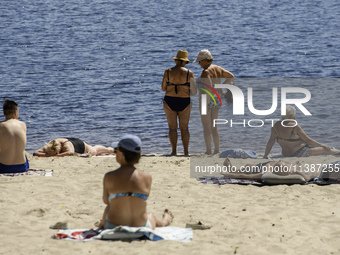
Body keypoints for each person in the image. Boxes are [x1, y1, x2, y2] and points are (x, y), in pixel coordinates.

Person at [97, 134, 173, 229]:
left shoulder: (109, 176)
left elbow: (106, 201)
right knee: (150, 216)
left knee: (109, 207)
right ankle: (165, 220)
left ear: (121, 154)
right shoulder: (147, 177)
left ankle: (101, 225)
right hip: (141, 226)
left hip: (114, 226)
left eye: (116, 151)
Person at [194, 49, 234, 155]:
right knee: (214, 126)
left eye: (200, 61)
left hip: (206, 98)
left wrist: (205, 104)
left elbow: (208, 87)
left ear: (205, 60)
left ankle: (208, 151)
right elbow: (231, 76)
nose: (199, 63)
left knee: (206, 126)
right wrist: (221, 87)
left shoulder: (205, 72)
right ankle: (217, 150)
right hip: (217, 98)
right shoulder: (218, 68)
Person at [263, 105, 340, 158]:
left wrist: (265, 155)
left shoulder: (275, 125)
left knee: (318, 147)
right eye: (294, 114)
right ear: (290, 116)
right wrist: (322, 145)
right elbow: (307, 140)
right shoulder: (294, 125)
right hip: (300, 153)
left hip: (285, 154)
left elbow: (271, 141)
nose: (295, 116)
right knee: (326, 150)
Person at [162, 50, 196, 156]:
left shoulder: (167, 71)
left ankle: (174, 151)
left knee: (172, 128)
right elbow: (194, 91)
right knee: (184, 128)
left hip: (169, 100)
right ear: (184, 62)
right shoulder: (189, 73)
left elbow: (163, 88)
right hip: (184, 101)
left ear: (176, 60)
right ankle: (186, 152)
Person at [223, 158, 317, 181]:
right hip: (266, 164)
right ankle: (231, 169)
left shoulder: (269, 170)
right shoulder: (293, 170)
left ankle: (231, 169)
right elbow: (309, 176)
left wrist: (229, 175)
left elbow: (246, 176)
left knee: (248, 167)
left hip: (264, 165)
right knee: (248, 166)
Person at [0, 100, 29, 173]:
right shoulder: (23, 125)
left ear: (4, 113)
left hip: (4, 167)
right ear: (16, 112)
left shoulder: (1, 126)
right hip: (22, 167)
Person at [33, 138, 114, 157]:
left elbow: (70, 153)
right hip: (70, 144)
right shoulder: (50, 145)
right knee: (97, 153)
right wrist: (47, 155)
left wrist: (55, 156)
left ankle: (110, 150)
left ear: (60, 149)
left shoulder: (65, 145)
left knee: (94, 151)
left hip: (81, 145)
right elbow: (35, 152)